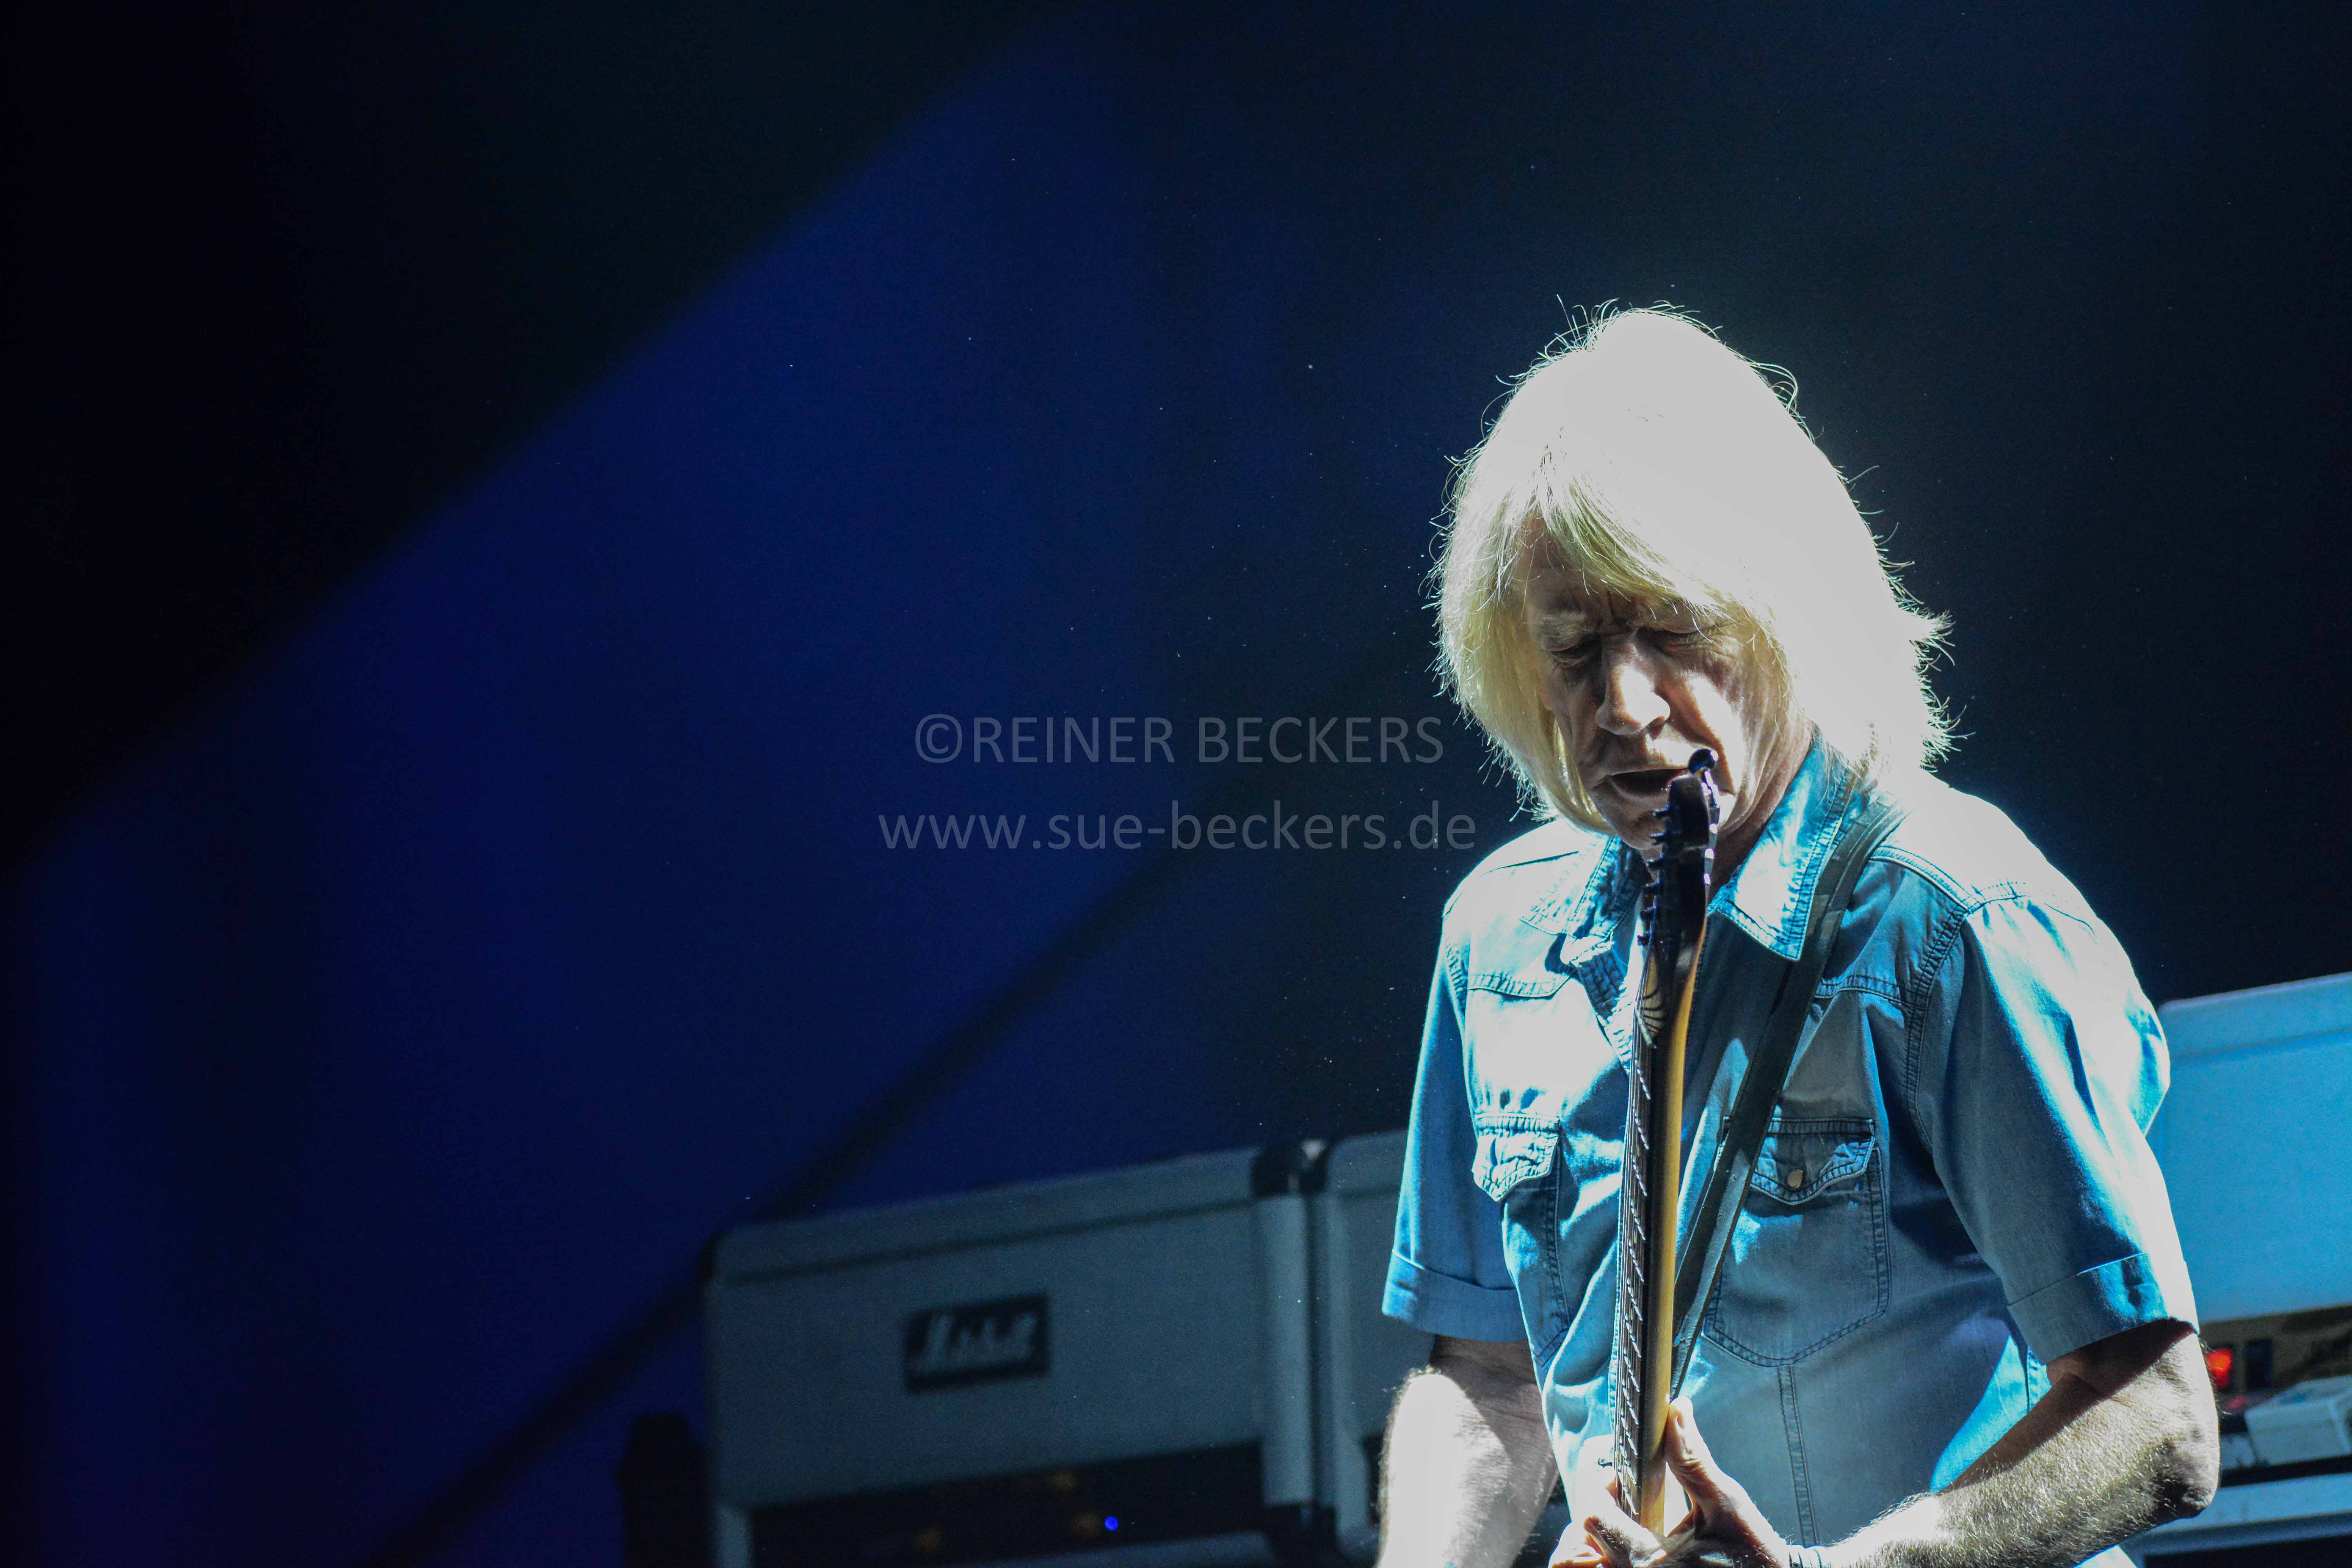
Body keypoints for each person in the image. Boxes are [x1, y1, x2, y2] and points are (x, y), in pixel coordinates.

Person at [1375, 309, 2217, 1568]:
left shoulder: (1954, 916)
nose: (1625, 706)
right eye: (1576, 647)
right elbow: (1489, 1379)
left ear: (1782, 611)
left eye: (1673, 628)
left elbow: (2155, 1420)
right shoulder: (1495, 939)